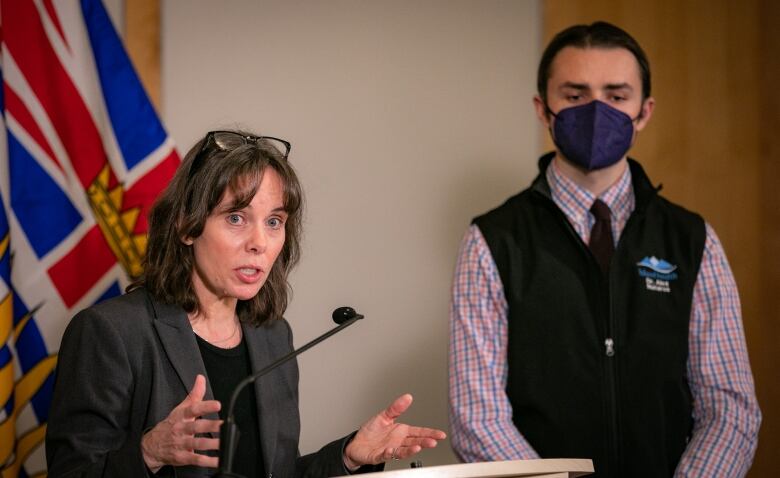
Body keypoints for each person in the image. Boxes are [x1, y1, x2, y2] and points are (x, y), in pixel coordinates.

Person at [448, 21, 761, 477]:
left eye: (616, 96)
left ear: (644, 111)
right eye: (575, 95)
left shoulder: (693, 240)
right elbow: (478, 420)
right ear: (543, 108)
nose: (597, 111)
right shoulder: (492, 242)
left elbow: (729, 407)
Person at [46, 129, 446, 477]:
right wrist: (149, 454)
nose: (259, 243)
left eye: (274, 221)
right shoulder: (111, 333)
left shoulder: (272, 336)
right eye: (236, 217)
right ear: (187, 225)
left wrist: (349, 458)